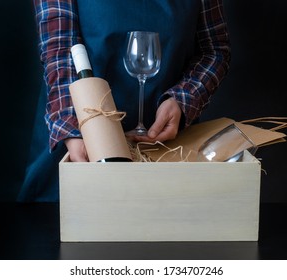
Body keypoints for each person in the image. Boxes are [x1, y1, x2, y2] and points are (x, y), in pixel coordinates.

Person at [18, 0, 231, 202]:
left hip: (167, 151)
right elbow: (59, 52)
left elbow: (214, 51)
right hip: (79, 142)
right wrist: (75, 130)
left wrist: (184, 99)